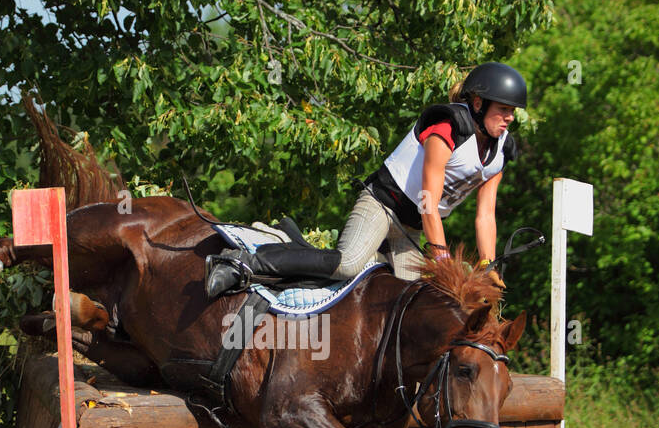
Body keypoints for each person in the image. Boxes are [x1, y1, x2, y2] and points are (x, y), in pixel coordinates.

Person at [204, 62, 525, 298]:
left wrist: (487, 265)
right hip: (383, 205)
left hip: (411, 230)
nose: (509, 118)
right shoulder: (448, 128)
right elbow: (429, 199)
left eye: (512, 111)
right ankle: (243, 262)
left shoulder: (500, 151)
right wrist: (440, 256)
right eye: (503, 109)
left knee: (419, 300)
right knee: (348, 264)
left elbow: (485, 215)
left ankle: (306, 246)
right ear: (478, 104)